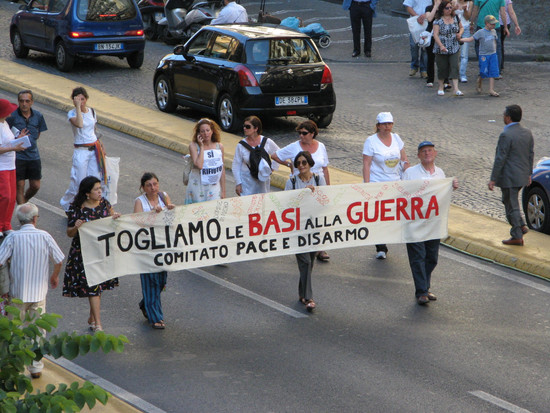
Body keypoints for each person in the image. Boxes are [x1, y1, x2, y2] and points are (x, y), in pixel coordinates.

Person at [0, 203, 65, 378]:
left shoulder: (13, 238)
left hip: (17, 294)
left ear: (19, 221)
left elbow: (0, 261)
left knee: (15, 330)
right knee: (37, 331)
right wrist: (54, 276)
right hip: (38, 293)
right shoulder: (45, 236)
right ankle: (36, 367)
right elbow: (58, 259)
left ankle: (15, 366)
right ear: (35, 218)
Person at [403, 142, 458, 305]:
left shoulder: (440, 173)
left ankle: (425, 287)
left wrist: (451, 185)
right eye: (423, 151)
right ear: (418, 156)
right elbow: (402, 194)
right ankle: (421, 291)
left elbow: (443, 194)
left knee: (431, 257)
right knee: (418, 256)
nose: (427, 154)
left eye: (429, 151)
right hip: (414, 222)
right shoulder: (410, 173)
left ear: (435, 153)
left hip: (433, 223)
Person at [63, 176, 121, 332]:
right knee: (93, 286)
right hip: (84, 253)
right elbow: (69, 233)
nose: (100, 192)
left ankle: (92, 316)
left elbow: (111, 221)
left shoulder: (105, 204)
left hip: (102, 251)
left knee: (98, 285)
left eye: (100, 189)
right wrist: (76, 227)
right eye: (96, 189)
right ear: (87, 193)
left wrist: (115, 217)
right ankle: (98, 323)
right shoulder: (76, 208)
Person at [272, 120, 331, 262]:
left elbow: (325, 168)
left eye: (304, 133)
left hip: (317, 183)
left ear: (312, 134)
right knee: (302, 216)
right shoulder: (294, 147)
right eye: (299, 133)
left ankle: (320, 247)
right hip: (300, 184)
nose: (301, 136)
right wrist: (289, 164)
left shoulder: (321, 146)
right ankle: (302, 245)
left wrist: (328, 189)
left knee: (318, 216)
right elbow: (275, 155)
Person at [362, 112, 409, 260]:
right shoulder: (371, 141)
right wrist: (367, 185)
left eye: (390, 124)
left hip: (396, 182)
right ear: (378, 126)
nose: (387, 127)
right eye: (384, 124)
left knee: (394, 215)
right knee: (379, 217)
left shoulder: (396, 138)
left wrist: (410, 174)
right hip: (378, 183)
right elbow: (367, 164)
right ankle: (381, 247)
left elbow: (404, 159)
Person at [284, 151, 326, 312]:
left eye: (304, 163)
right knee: (306, 262)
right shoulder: (292, 182)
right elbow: (287, 205)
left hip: (314, 227)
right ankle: (309, 298)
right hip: (297, 229)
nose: (301, 166)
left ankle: (302, 294)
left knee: (309, 262)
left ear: (310, 163)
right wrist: (302, 195)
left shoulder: (318, 179)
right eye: (298, 163)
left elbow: (325, 201)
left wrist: (314, 193)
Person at [488, 104, 534, 246]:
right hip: (521, 176)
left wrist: (493, 179)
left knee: (511, 205)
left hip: (509, 177)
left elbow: (500, 158)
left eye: (504, 115)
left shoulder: (506, 135)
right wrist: (529, 173)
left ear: (508, 118)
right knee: (509, 201)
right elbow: (530, 154)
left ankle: (517, 235)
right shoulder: (527, 132)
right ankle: (520, 225)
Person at [134, 172, 175, 329]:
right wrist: (153, 214)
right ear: (143, 187)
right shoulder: (140, 202)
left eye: (155, 184)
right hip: (147, 248)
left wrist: (171, 210)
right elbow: (137, 224)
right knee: (150, 281)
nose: (153, 188)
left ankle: (146, 303)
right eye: (149, 185)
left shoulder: (164, 197)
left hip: (163, 246)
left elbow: (170, 220)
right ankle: (156, 317)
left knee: (160, 281)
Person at [60, 87, 106, 212]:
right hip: (81, 150)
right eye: (78, 99)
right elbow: (80, 124)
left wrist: (100, 144)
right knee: (78, 181)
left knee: (95, 180)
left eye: (83, 99)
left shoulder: (92, 112)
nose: (81, 101)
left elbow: (93, 130)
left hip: (94, 149)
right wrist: (78, 108)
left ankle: (92, 206)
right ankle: (68, 204)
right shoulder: (72, 114)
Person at [6, 90, 47, 205]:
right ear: (18, 101)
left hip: (33, 156)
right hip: (18, 156)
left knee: (35, 185)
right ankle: (23, 212)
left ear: (32, 102)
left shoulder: (38, 116)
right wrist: (18, 138)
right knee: (20, 185)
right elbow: (5, 135)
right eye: (21, 101)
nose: (24, 104)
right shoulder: (12, 116)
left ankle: (23, 202)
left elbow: (38, 133)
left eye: (27, 101)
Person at [232, 116, 279, 196]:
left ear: (256, 128)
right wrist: (238, 183)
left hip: (263, 181)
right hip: (246, 182)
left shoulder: (266, 141)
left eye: (248, 126)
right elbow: (236, 164)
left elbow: (278, 153)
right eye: (244, 126)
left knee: (263, 203)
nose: (244, 128)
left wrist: (272, 168)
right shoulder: (241, 145)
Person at [185, 118, 226, 204]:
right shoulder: (194, 146)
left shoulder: (219, 147)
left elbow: (222, 169)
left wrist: (223, 191)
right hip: (198, 186)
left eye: (208, 130)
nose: (206, 133)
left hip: (213, 186)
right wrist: (202, 146)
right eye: (202, 131)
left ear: (212, 131)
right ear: (198, 133)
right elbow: (199, 165)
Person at [0, 99, 25, 238]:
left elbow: (7, 141)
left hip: (10, 165)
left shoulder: (5, 124)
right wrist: (14, 147)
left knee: (11, 197)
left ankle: (6, 224)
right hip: (2, 166)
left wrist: (17, 138)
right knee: (4, 196)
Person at [461, 15, 500, 96]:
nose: (493, 25)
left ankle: (491, 90)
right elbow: (470, 39)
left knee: (493, 72)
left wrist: (495, 51)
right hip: (484, 55)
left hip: (493, 54)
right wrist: (461, 39)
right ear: (486, 23)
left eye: (494, 24)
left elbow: (495, 42)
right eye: (492, 24)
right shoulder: (481, 32)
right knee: (483, 71)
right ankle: (480, 80)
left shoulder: (494, 31)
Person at [432, 0, 464, 96]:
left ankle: (456, 89)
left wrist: (459, 34)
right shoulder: (438, 20)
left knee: (455, 66)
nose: (449, 9)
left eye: (450, 7)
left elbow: (461, 27)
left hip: (454, 46)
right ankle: (441, 87)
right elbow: (435, 35)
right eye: (447, 8)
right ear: (442, 9)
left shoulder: (455, 17)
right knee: (442, 68)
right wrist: (441, 45)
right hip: (441, 47)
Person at [469, 0, 508, 69]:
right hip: (494, 26)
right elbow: (503, 13)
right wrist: (505, 27)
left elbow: (475, 11)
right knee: (497, 48)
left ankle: (484, 65)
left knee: (479, 46)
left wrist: (472, 23)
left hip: (481, 25)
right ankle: (496, 71)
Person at [403, 0, 432, 78]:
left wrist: (426, 15)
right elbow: (408, 6)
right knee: (413, 45)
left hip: (427, 22)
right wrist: (417, 16)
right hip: (415, 22)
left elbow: (435, 6)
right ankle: (414, 65)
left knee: (425, 46)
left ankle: (424, 69)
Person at [498, 0, 521, 72]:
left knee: (496, 44)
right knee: (500, 44)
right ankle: (500, 65)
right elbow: (511, 12)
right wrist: (516, 25)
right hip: (505, 23)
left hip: (494, 23)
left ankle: (496, 65)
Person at [454, 0, 472, 83]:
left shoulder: (469, 3)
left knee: (464, 54)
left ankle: (462, 74)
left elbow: (468, 17)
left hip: (465, 28)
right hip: (454, 28)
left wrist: (465, 10)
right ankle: (453, 73)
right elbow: (449, 14)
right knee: (453, 52)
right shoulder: (454, 1)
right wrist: (454, 8)